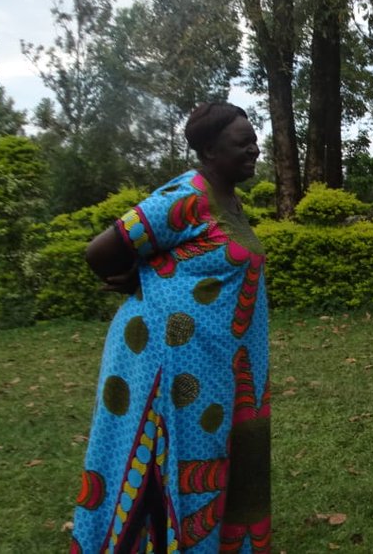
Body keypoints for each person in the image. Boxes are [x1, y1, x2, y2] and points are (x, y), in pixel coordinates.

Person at [70, 102, 270, 554]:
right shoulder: (184, 198)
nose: (254, 149)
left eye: (254, 139)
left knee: (215, 450)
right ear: (209, 150)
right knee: (177, 456)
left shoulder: (229, 199)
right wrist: (134, 279)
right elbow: (100, 252)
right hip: (171, 360)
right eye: (243, 142)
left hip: (216, 360)